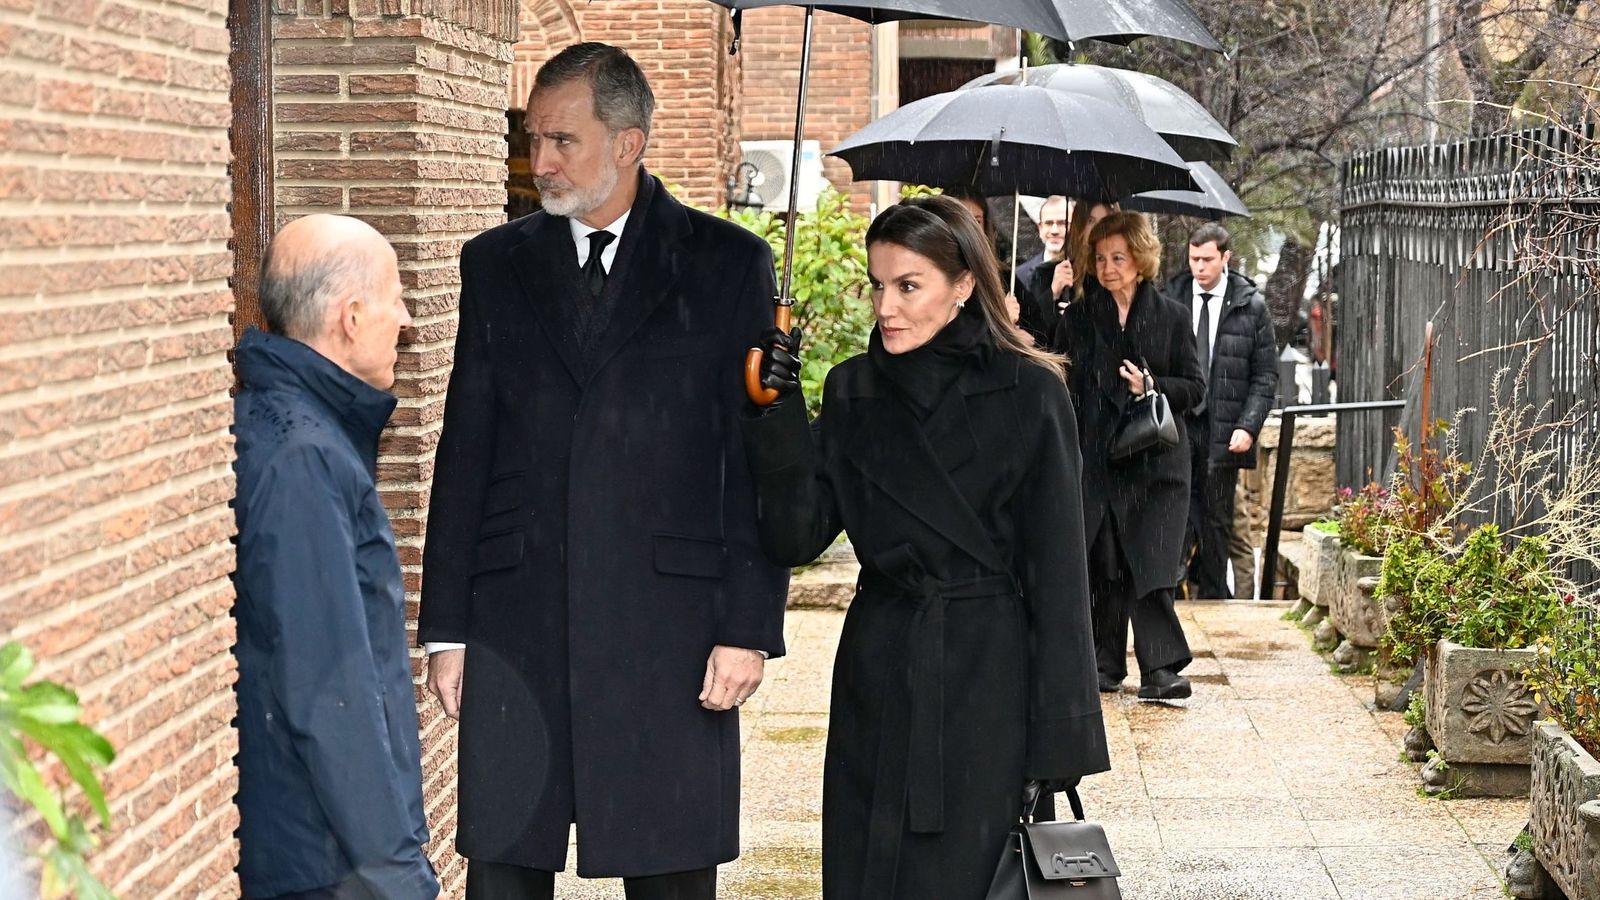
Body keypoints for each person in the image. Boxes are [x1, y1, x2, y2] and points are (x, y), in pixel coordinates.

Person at [417, 43, 788, 900]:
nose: (539, 161)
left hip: (674, 634)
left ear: (628, 143)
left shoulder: (727, 264)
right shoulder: (495, 264)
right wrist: (447, 629)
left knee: (668, 872)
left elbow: (753, 461)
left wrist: (747, 624)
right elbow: (464, 446)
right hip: (518, 625)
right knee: (505, 871)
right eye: (533, 138)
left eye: (561, 141)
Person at [745, 195, 1110, 899]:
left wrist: (1059, 739)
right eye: (877, 285)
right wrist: (775, 410)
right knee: (867, 872)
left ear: (964, 285)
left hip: (984, 680)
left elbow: (1060, 575)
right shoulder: (854, 390)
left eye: (908, 286)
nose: (887, 306)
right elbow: (795, 534)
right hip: (879, 670)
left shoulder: (1031, 392)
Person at [232, 214, 440, 900]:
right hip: (324, 864)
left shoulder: (304, 429)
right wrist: (397, 872)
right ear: (351, 318)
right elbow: (328, 689)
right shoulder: (304, 458)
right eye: (395, 300)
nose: (406, 322)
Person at [1054, 211, 1205, 700]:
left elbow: (1196, 390)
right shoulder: (1078, 318)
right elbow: (1058, 379)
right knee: (1105, 563)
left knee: (1153, 561)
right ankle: (1103, 662)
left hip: (1156, 462)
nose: (1108, 267)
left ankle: (1161, 668)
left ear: (1141, 261)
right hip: (1098, 458)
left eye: (1118, 257)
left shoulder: (1173, 317)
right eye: (1100, 258)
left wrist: (1152, 384)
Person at [1170, 223, 1278, 599]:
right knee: (1179, 512)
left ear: (1225, 258)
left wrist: (1248, 426)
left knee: (1218, 520)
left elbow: (1265, 376)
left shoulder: (1251, 305)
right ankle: (1173, 594)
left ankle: (1214, 595)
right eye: (1193, 259)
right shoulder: (1174, 295)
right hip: (1181, 422)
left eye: (1206, 259)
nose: (1199, 267)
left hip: (1225, 427)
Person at [1015, 195, 1068, 345]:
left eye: (1062, 223)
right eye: (1049, 223)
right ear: (1040, 228)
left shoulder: (1086, 271)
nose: (1055, 230)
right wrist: (1053, 291)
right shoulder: (1020, 274)